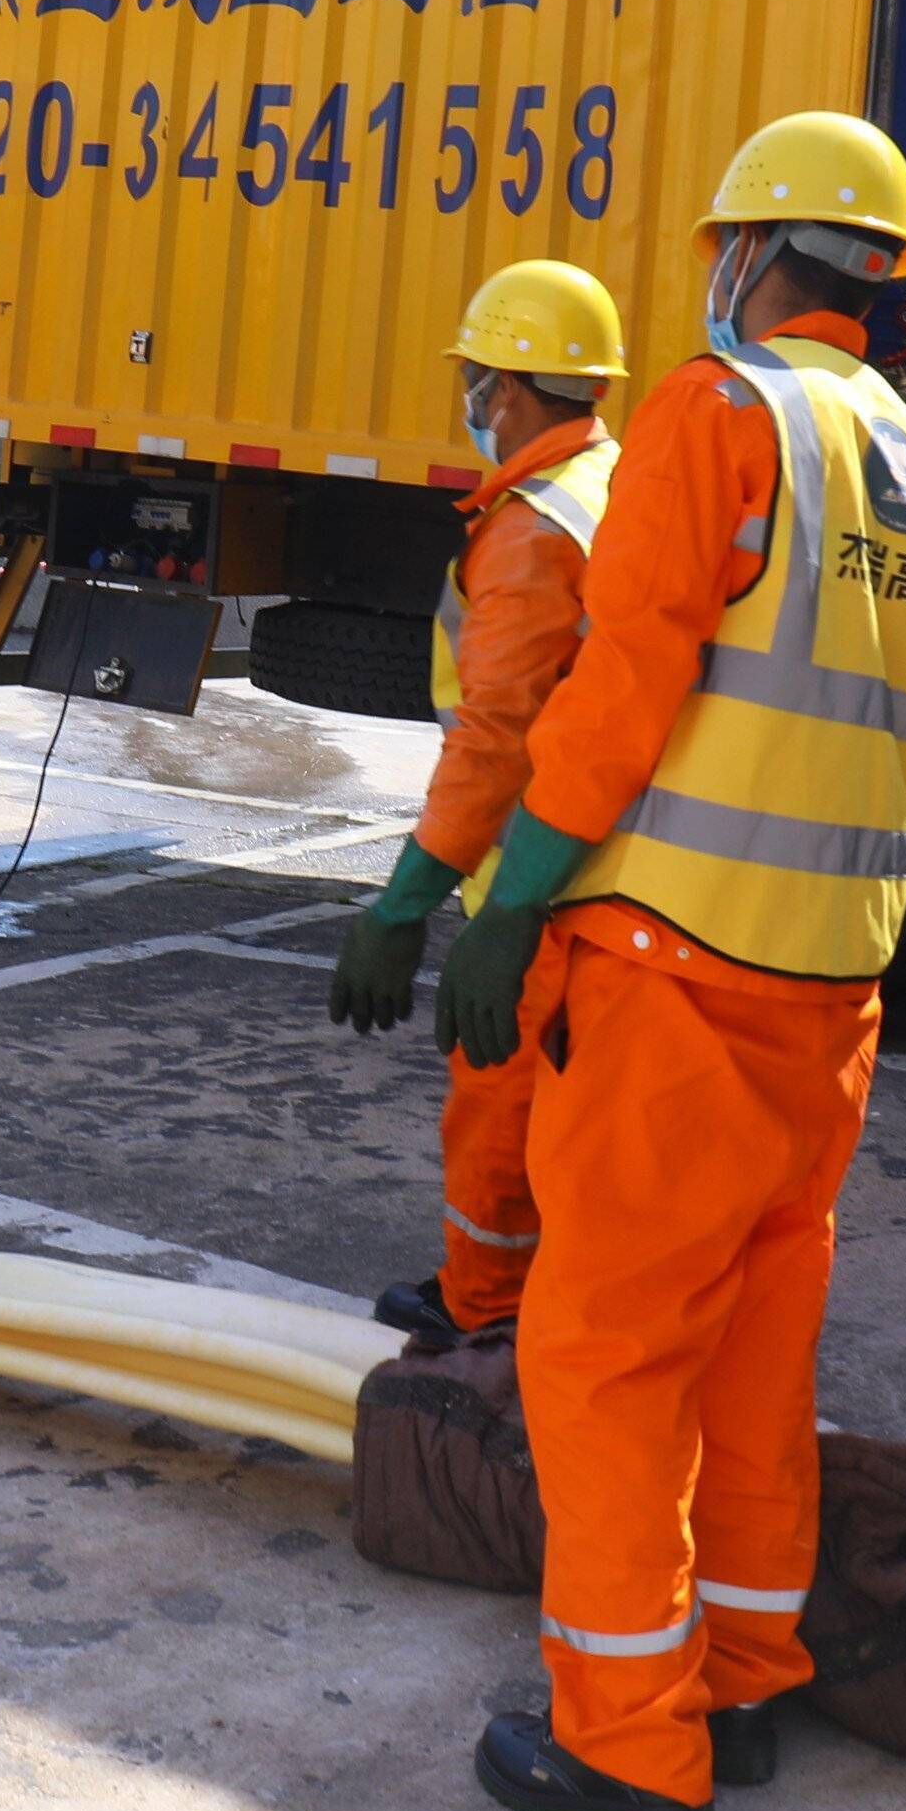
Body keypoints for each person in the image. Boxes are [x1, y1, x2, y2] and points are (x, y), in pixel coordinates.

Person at [437, 113, 906, 1811]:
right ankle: (738, 1683)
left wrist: (509, 902)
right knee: (752, 1359)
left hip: (673, 970)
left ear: (750, 254)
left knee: (597, 1362)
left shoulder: (720, 407)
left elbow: (616, 693)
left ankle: (628, 1749)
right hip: (830, 1000)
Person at [325, 259, 629, 1344]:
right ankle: (543, 1300)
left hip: (535, 876)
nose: (472, 406)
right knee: (577, 1123)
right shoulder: (608, 482)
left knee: (499, 1104)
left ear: (505, 390)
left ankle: (483, 1309)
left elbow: (496, 737)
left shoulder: (536, 525)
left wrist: (406, 901)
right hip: (607, 874)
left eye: (477, 382)